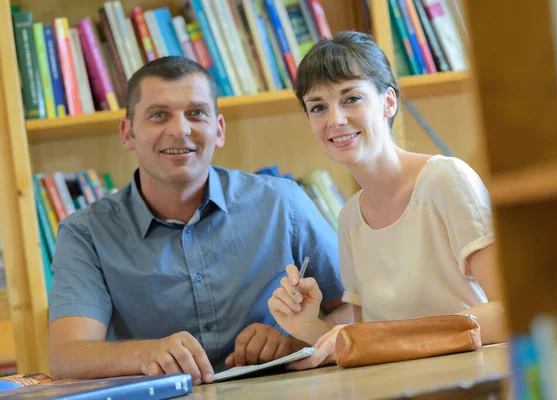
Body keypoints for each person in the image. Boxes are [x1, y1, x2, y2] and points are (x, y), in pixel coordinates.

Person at [48, 56, 350, 385]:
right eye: (159, 115)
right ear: (128, 133)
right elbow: (67, 357)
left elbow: (355, 310)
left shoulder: (282, 203)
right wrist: (148, 354)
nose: (180, 130)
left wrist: (298, 341)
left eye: (196, 113)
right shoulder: (86, 233)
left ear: (218, 130)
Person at [268, 31, 505, 369]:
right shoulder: (350, 217)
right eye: (318, 107)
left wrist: (386, 336)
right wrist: (310, 327)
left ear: (388, 102)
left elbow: (509, 310)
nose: (335, 119)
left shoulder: (444, 178)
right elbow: (371, 340)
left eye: (351, 98)